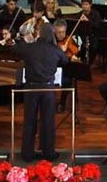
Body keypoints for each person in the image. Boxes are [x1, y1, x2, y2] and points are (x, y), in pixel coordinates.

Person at [13, 23, 69, 162]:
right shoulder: (55, 49)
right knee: (48, 121)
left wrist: (25, 38)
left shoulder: (30, 48)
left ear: (39, 34)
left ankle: (27, 154)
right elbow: (65, 61)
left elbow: (15, 49)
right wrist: (61, 51)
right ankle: (48, 153)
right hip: (48, 89)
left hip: (31, 88)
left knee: (29, 121)